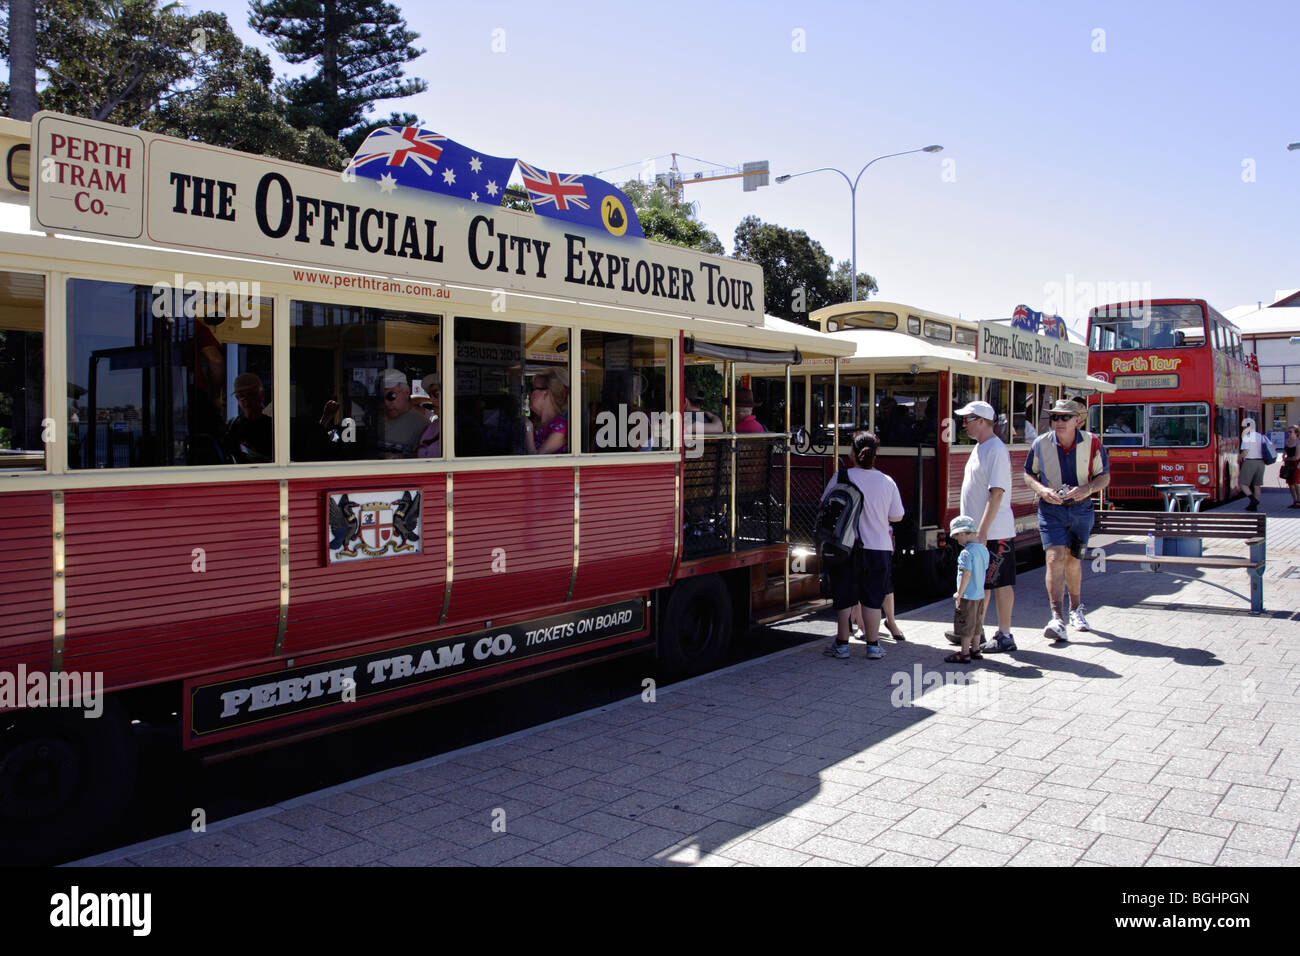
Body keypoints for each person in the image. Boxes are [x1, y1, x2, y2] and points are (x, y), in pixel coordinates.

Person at [1022, 398, 1111, 642]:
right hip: (1051, 510)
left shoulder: (1092, 442)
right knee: (1054, 558)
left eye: (1064, 417)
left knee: (1073, 560)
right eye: (1054, 417)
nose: (1058, 422)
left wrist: (1088, 489)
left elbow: (1104, 477)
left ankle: (1076, 609)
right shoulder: (1041, 443)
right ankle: (1056, 616)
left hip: (1081, 510)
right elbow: (1028, 474)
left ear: (1077, 420)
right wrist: (1042, 491)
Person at [820, 431, 904, 661]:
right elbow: (897, 516)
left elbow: (824, 504)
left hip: (846, 547)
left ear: (853, 453)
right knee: (873, 598)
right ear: (876, 454)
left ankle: (842, 644)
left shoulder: (842, 477)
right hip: (878, 547)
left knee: (844, 596)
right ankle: (873, 646)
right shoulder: (887, 482)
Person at [953, 399, 1018, 653]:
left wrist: (981, 532)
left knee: (998, 583)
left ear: (981, 421)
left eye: (967, 420)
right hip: (982, 533)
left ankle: (1004, 634)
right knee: (981, 584)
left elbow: (997, 493)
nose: (963, 425)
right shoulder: (981, 447)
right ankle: (974, 632)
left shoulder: (995, 450)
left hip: (994, 532)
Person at [946, 515, 989, 665]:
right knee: (977, 624)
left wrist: (959, 592)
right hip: (980, 594)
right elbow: (984, 569)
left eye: (957, 536)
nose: (957, 540)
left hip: (968, 595)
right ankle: (975, 649)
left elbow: (966, 573)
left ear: (963, 533)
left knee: (965, 625)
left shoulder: (965, 553)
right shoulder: (983, 549)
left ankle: (964, 653)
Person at [376, 369, 430, 459]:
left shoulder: (422, 425)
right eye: (381, 397)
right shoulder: (376, 418)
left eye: (391, 396)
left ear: (407, 392)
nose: (386, 403)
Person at [221, 372, 272, 463]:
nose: (246, 401)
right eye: (241, 396)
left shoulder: (273, 427)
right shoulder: (232, 426)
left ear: (262, 395)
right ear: (237, 399)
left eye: (251, 394)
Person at [526, 366, 568, 454]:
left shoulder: (560, 427)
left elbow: (535, 462)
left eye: (533, 389)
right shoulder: (535, 420)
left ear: (546, 393)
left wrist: (528, 428)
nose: (529, 394)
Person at [1237, 419, 1270, 512]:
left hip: (1250, 462)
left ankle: (1253, 500)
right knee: (1257, 485)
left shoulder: (1247, 437)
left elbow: (1245, 451)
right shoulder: (1261, 436)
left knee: (1243, 483)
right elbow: (1272, 446)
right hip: (1261, 463)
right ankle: (1254, 505)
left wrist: (1239, 457)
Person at [416, 373, 441, 458]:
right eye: (430, 395)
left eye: (436, 393)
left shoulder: (463, 427)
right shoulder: (434, 425)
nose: (431, 400)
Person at [1284, 424, 1300, 508]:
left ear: (1296, 433)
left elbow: (1297, 457)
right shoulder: (1287, 441)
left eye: (1290, 432)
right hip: (1288, 464)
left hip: (1296, 465)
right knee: (1290, 484)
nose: (1289, 433)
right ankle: (1295, 500)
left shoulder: (1298, 443)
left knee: (1296, 482)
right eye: (1288, 432)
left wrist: (1287, 459)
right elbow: (1285, 453)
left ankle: (1299, 501)